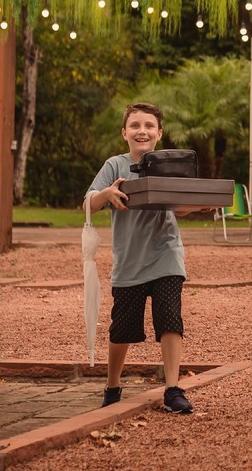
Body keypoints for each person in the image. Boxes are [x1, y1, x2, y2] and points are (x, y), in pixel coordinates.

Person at [85, 102, 194, 414]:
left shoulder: (171, 164)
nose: (142, 131)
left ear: (159, 133)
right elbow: (89, 202)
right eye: (135, 125)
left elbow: (181, 207)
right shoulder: (114, 166)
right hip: (129, 263)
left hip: (167, 255)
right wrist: (105, 194)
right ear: (124, 133)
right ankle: (112, 385)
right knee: (122, 329)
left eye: (149, 126)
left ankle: (172, 389)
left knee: (170, 320)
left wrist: (201, 205)